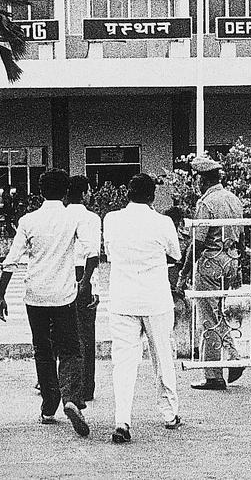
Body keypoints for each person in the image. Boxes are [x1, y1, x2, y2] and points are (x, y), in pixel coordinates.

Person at [0, 168, 94, 437]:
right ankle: (71, 397)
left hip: (35, 295)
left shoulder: (28, 220)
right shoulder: (72, 219)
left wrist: (0, 295)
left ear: (40, 192)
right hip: (64, 296)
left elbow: (12, 260)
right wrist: (84, 281)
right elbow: (91, 252)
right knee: (71, 348)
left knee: (43, 348)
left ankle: (49, 404)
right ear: (65, 192)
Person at [103, 174, 183, 443]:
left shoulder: (111, 220)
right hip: (155, 299)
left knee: (123, 363)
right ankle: (169, 413)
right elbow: (176, 254)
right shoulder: (162, 222)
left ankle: (122, 420)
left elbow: (110, 253)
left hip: (123, 299)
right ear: (152, 197)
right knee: (162, 356)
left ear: (128, 193)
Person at [188, 156, 247, 391]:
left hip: (211, 261)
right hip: (230, 260)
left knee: (207, 317)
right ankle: (232, 357)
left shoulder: (207, 203)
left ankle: (214, 374)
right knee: (218, 313)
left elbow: (199, 241)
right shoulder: (234, 199)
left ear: (202, 180)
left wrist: (185, 269)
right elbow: (242, 237)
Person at [65, 175, 102, 404]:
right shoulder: (92, 218)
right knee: (86, 334)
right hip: (83, 275)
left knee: (61, 333)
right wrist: (92, 285)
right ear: (86, 192)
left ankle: (64, 384)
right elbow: (94, 254)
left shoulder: (61, 216)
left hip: (63, 273)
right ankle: (86, 386)